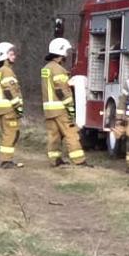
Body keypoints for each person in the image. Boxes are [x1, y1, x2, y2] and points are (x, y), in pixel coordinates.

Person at [39, 38, 86, 167]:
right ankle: (79, 160)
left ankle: (55, 160)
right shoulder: (58, 69)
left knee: (53, 135)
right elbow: (61, 90)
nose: (66, 54)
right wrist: (70, 108)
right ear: (60, 52)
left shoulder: (46, 69)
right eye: (66, 51)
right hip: (60, 109)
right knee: (71, 133)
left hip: (49, 110)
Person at [0, 42, 23, 168]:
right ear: (4, 55)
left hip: (1, 110)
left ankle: (7, 160)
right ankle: (6, 161)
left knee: (9, 134)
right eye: (11, 53)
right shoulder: (6, 71)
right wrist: (18, 107)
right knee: (11, 134)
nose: (14, 56)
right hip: (9, 109)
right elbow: (9, 90)